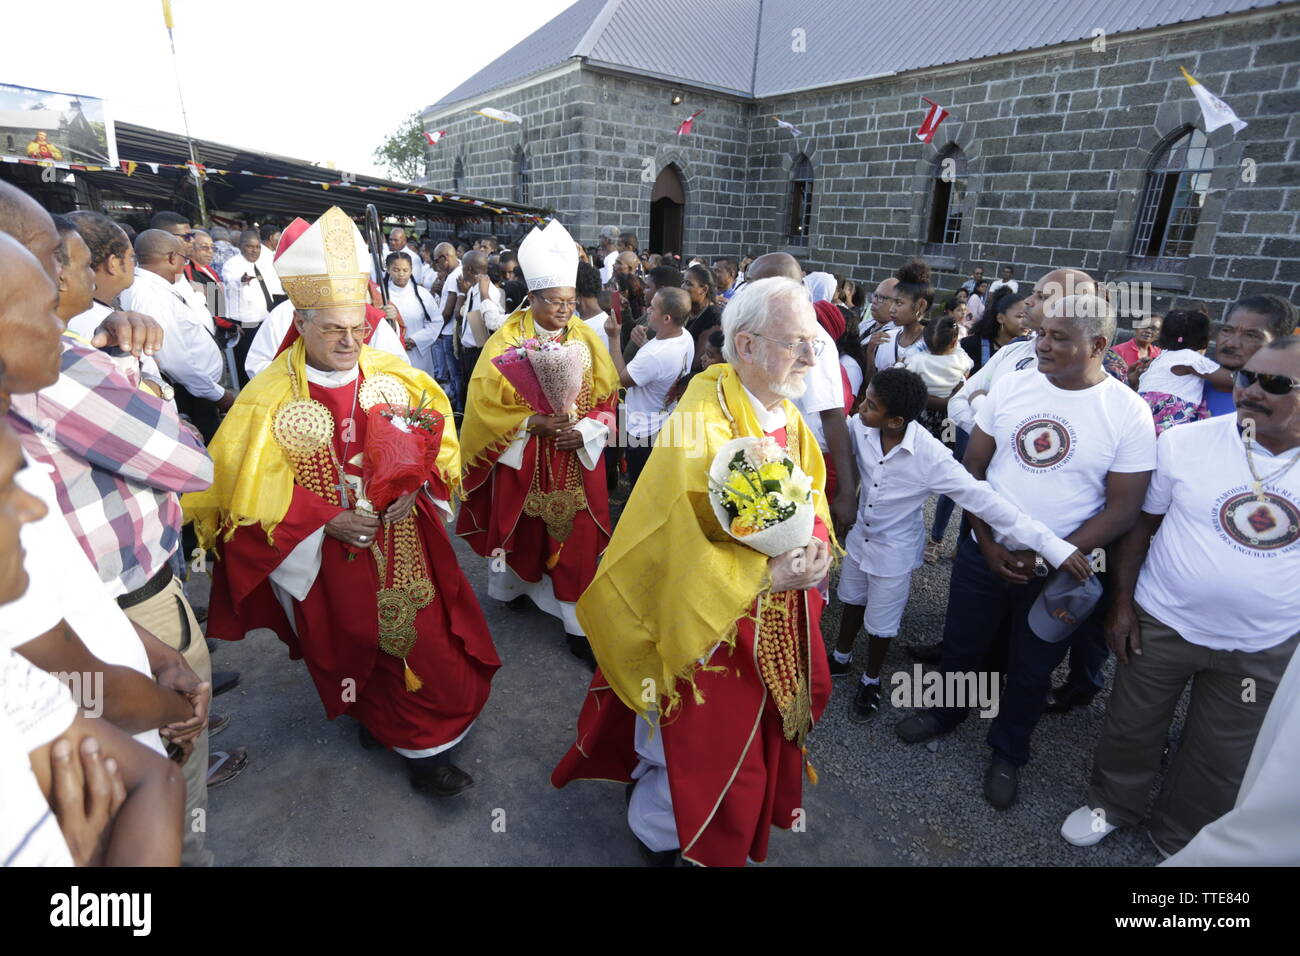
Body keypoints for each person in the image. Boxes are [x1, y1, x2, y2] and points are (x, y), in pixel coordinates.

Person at [183, 206, 500, 799]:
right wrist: (326, 518)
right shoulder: (270, 397)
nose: (350, 341)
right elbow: (244, 495)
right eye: (332, 329)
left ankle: (426, 750)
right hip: (327, 556)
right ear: (299, 323)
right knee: (352, 643)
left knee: (421, 641)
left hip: (406, 542)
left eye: (358, 327)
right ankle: (378, 720)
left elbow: (439, 445)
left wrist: (418, 488)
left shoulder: (395, 375)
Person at [552, 276, 834, 867]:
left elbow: (815, 501)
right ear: (749, 346)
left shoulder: (786, 414)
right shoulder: (702, 416)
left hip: (774, 616)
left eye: (814, 343)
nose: (811, 356)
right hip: (708, 623)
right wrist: (760, 578)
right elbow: (680, 535)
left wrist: (819, 549)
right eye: (796, 343)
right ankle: (659, 834)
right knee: (694, 738)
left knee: (750, 736)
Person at [9, 219, 222, 864]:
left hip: (117, 630)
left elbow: (43, 630)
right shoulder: (57, 370)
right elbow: (193, 466)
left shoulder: (53, 360)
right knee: (178, 815)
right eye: (49, 269)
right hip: (127, 613)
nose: (27, 506)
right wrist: (161, 707)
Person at [895, 294, 1156, 810]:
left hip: (1058, 572)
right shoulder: (1013, 385)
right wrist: (988, 543)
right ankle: (948, 713)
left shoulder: (1128, 412)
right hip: (984, 554)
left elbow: (1123, 510)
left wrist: (1046, 554)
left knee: (1033, 665)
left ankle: (1009, 750)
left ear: (1098, 345)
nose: (1042, 344)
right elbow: (970, 472)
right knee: (964, 644)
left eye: (1060, 337)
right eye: (1042, 333)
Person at [1063, 337, 1300, 856]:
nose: (1252, 392)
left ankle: (1181, 838)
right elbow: (1140, 527)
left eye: (1275, 384)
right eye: (1246, 377)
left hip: (1263, 646)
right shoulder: (1185, 442)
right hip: (1163, 622)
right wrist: (1122, 607)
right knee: (1132, 724)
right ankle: (1113, 805)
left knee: (1223, 752)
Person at [832, 368, 1087, 718]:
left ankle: (871, 679)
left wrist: (1052, 546)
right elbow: (825, 439)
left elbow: (984, 500)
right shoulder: (860, 427)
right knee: (852, 598)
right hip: (860, 538)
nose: (861, 407)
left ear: (895, 421)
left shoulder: (931, 455)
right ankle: (841, 656)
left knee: (882, 620)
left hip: (894, 551)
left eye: (871, 404)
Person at [457, 219, 618, 666]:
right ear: (532, 298)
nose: (566, 311)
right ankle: (513, 587)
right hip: (525, 460)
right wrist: (530, 422)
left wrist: (584, 429)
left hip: (575, 458)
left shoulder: (587, 338)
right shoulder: (506, 340)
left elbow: (607, 401)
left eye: (570, 302)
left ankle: (576, 625)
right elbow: (485, 406)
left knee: (577, 542)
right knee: (523, 532)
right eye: (555, 302)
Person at [751, 255, 857, 535]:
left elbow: (833, 415)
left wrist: (846, 492)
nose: (745, 293)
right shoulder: (766, 327)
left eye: (754, 285)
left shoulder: (813, 342)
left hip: (802, 461)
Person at [121, 230, 232, 441]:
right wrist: (218, 394)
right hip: (192, 392)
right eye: (185, 258)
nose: (185, 263)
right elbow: (172, 359)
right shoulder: (149, 293)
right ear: (172, 257)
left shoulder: (164, 284)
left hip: (200, 386)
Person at [604, 287, 694, 487]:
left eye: (653, 308)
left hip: (642, 431)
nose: (646, 310)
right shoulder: (684, 336)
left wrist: (613, 337)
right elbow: (659, 368)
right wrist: (645, 345)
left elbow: (619, 379)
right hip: (664, 420)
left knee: (641, 486)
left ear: (667, 318)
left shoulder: (653, 354)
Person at [905, 315, 974, 562]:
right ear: (955, 340)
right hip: (949, 421)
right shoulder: (961, 359)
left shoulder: (918, 360)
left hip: (923, 419)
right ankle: (937, 538)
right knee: (947, 463)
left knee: (916, 468)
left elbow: (906, 373)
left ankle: (914, 528)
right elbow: (967, 370)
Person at [1137, 309, 1233, 435]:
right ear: (1202, 338)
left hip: (1144, 412)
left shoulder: (1163, 356)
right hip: (1170, 416)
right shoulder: (1189, 358)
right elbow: (1230, 379)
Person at [1203, 294, 1298, 417]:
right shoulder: (1184, 376)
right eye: (1227, 330)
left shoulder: (1280, 411)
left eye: (1251, 335)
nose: (1232, 343)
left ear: (1278, 344)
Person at [450, 250, 506, 408]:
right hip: (468, 351)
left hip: (478, 353)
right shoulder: (474, 288)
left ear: (468, 269)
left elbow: (491, 325)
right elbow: (471, 319)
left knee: (478, 397)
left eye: (463, 268)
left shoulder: (488, 293)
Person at [221, 230, 278, 387]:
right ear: (240, 247)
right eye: (249, 247)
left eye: (257, 247)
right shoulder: (232, 264)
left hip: (265, 319)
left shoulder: (264, 263)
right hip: (246, 324)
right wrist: (242, 280)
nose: (254, 250)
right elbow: (231, 281)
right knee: (246, 363)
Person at [383, 251, 440, 379]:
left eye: (405, 270)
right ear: (388, 270)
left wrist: (415, 340)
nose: (401, 274)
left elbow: (436, 322)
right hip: (391, 351)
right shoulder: (381, 294)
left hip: (418, 352)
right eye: (396, 270)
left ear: (411, 270)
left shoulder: (422, 294)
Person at [1114, 314, 1161, 378]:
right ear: (1136, 328)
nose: (1148, 331)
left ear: (1159, 335)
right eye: (1144, 326)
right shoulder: (1116, 352)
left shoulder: (1159, 355)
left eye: (1153, 328)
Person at [859, 275, 899, 341]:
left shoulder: (894, 334)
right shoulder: (868, 322)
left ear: (896, 302)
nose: (874, 301)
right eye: (875, 295)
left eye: (881, 298)